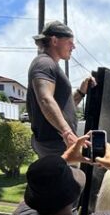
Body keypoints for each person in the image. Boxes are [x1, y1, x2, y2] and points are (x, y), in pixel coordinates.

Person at [26, 20, 96, 157]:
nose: (73, 47)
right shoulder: (44, 63)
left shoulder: (49, 64)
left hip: (57, 143)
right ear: (54, 41)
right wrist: (68, 133)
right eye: (70, 42)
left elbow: (62, 107)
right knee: (67, 178)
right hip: (55, 144)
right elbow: (45, 100)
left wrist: (81, 92)